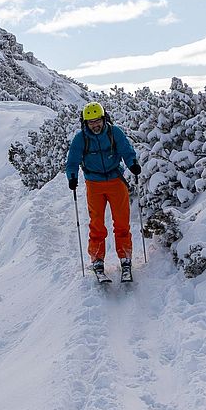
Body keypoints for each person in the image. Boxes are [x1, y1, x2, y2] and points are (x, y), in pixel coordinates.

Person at [64, 102, 141, 281]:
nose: (95, 125)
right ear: (85, 123)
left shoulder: (115, 132)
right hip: (94, 184)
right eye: (90, 122)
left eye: (97, 120)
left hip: (116, 181)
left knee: (122, 222)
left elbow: (127, 151)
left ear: (104, 118)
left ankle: (125, 259)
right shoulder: (80, 138)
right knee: (97, 224)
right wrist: (72, 177)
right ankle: (97, 260)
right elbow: (72, 161)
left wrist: (133, 165)